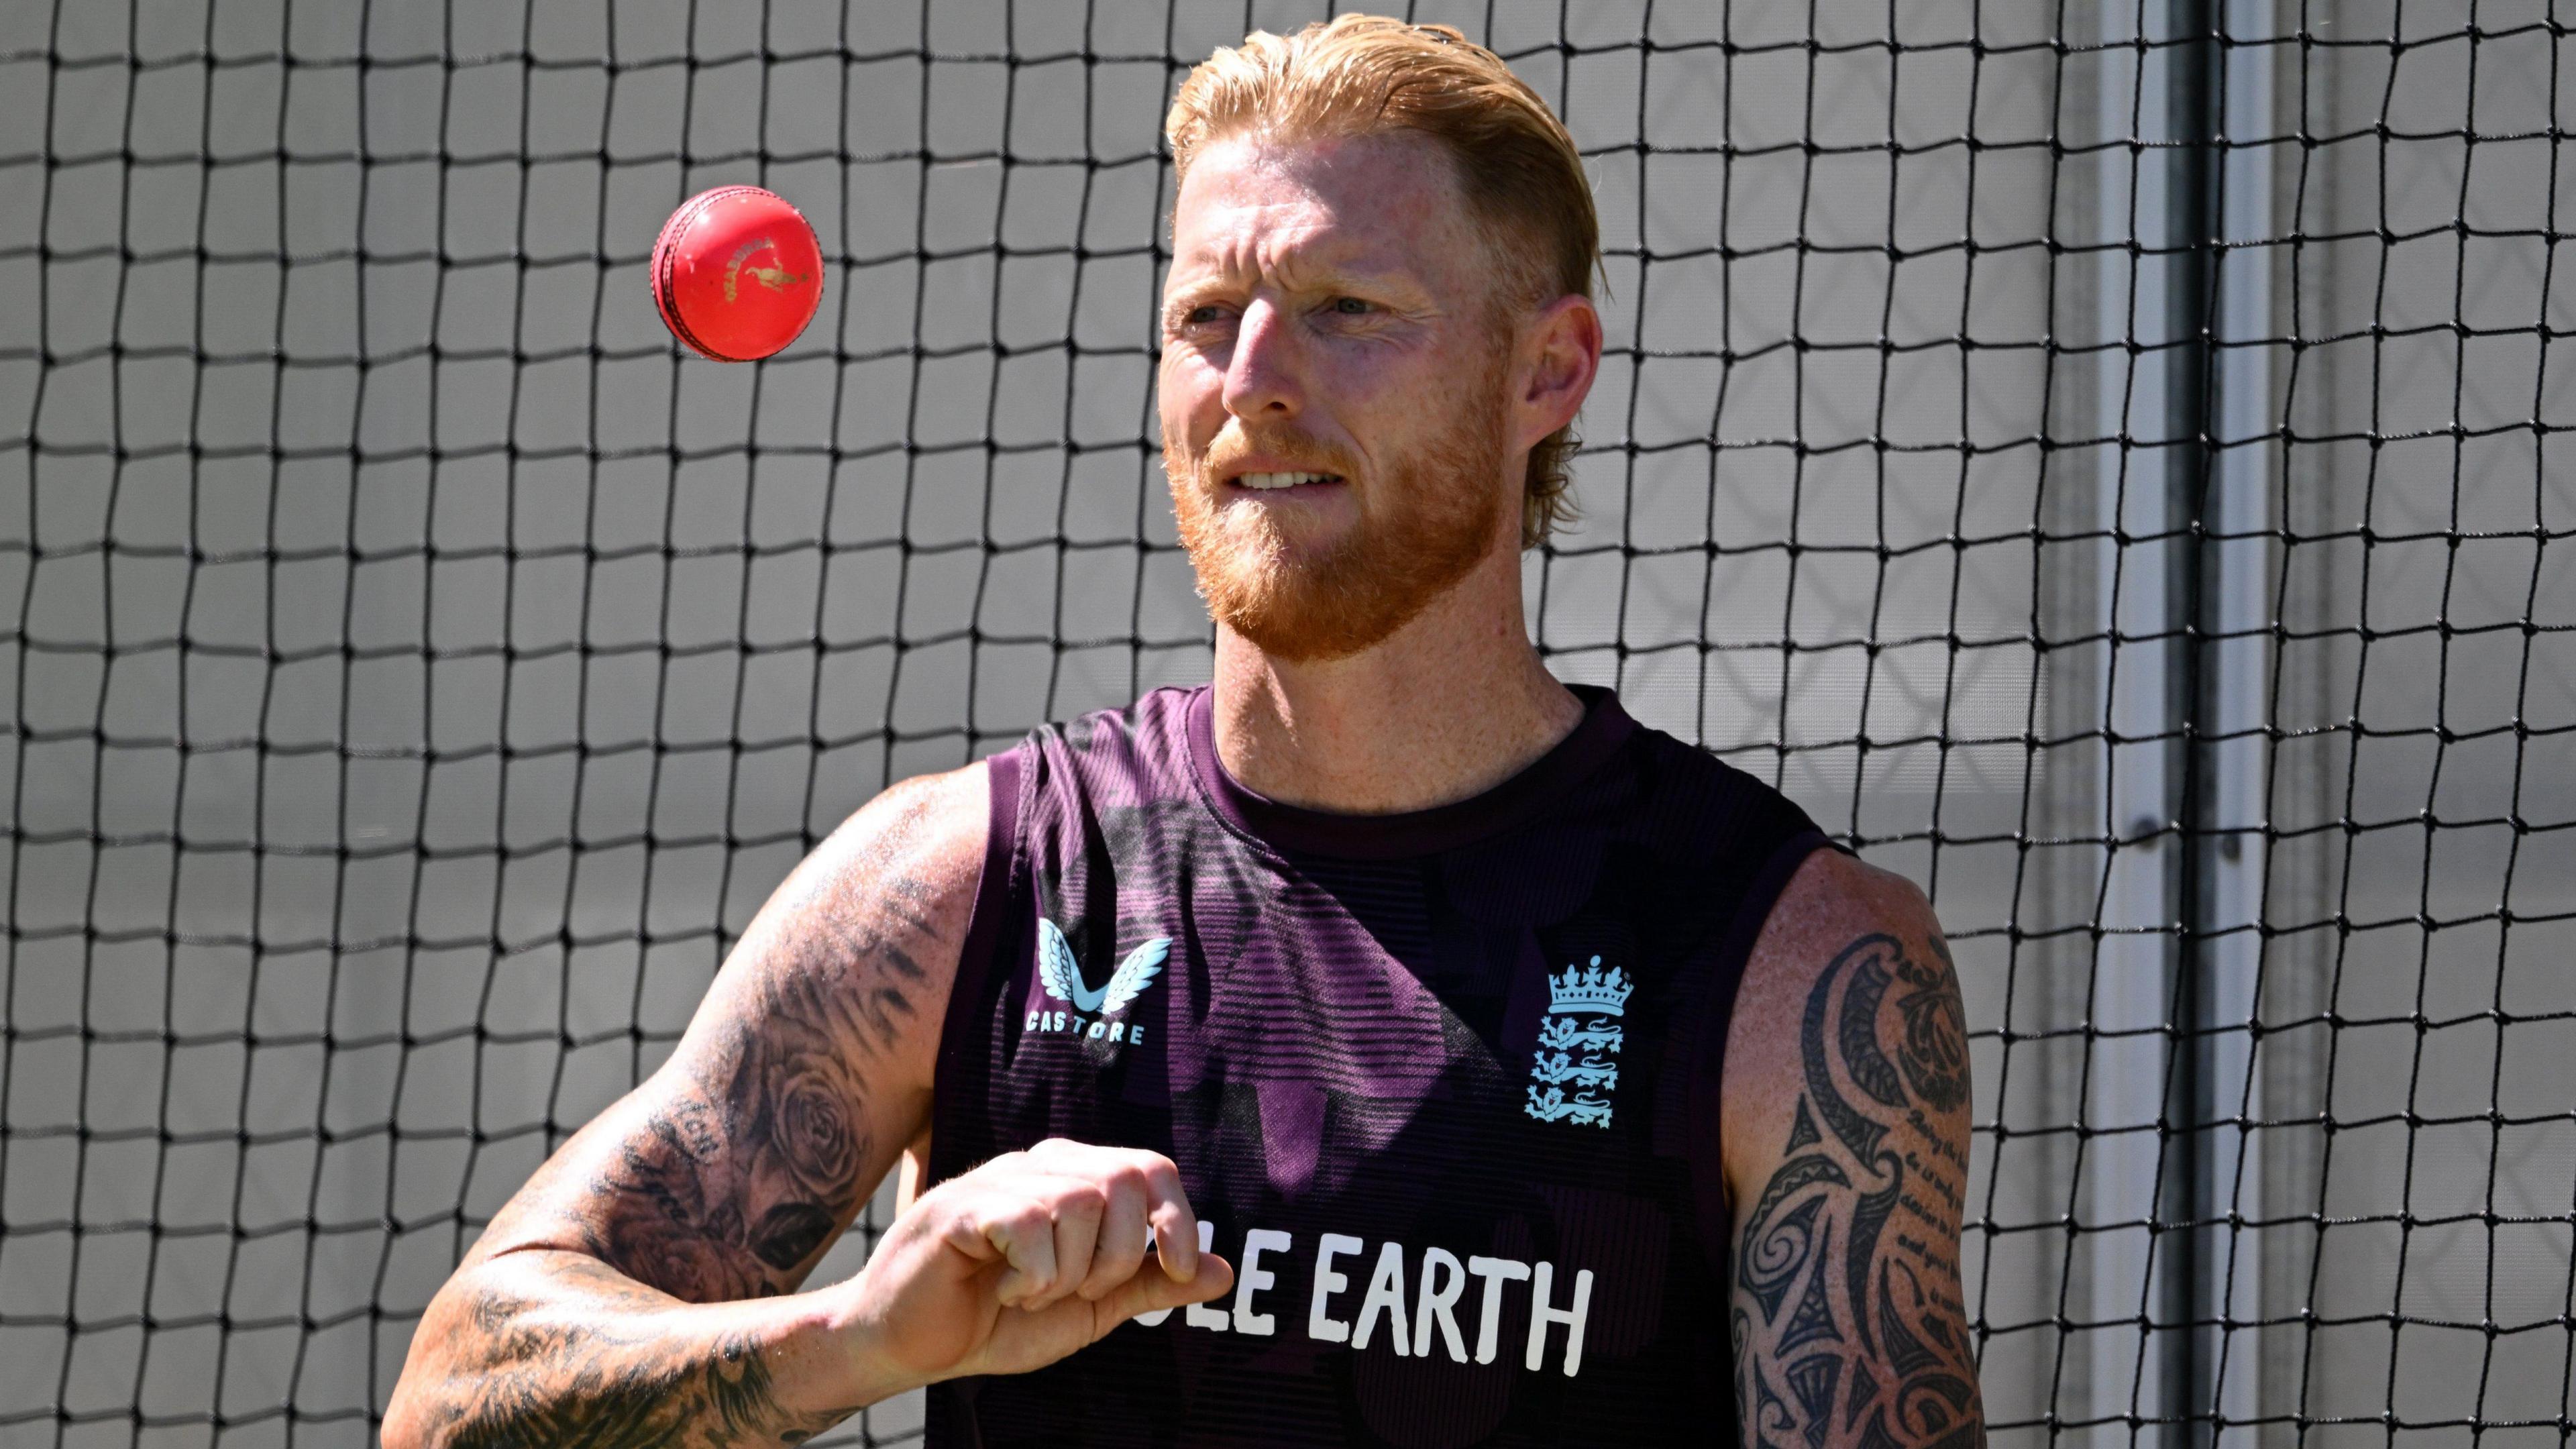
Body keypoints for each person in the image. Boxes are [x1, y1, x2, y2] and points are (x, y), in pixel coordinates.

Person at [383, 17, 1984, 1449]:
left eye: (1349, 307)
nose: (1255, 382)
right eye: (1208, 313)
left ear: (1547, 369)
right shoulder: (966, 883)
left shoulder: (1794, 964)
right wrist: (857, 1339)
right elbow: (453, 1407)